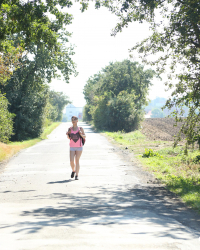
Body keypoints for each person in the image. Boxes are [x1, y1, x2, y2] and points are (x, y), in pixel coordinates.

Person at [66, 116, 86, 180]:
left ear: (77, 121)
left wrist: (81, 134)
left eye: (74, 119)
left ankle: (77, 175)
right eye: (72, 120)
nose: (73, 120)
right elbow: (69, 138)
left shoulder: (80, 128)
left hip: (79, 147)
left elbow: (84, 136)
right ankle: (73, 170)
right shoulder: (70, 129)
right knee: (71, 161)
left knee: (77, 160)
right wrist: (67, 135)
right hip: (72, 147)